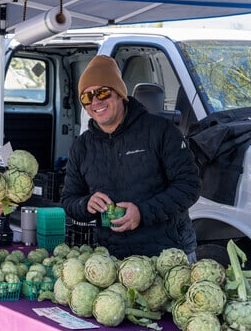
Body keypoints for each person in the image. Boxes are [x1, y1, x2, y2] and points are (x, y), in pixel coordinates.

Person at [60, 55, 201, 260]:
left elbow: (189, 186)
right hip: (113, 260)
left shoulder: (161, 131)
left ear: (119, 94)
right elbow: (69, 199)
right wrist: (86, 204)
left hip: (168, 256)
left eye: (102, 92)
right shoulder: (82, 146)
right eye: (87, 97)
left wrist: (142, 213)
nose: (96, 101)